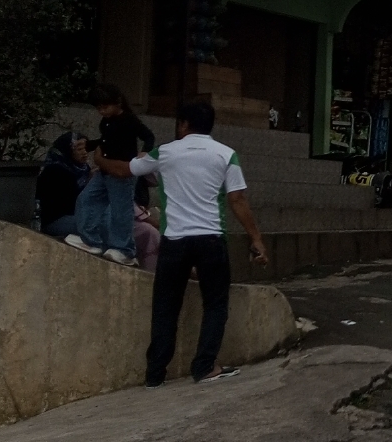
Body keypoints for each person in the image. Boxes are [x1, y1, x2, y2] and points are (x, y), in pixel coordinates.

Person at [126, 98, 269, 385]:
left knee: (166, 306)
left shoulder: (165, 152)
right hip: (211, 240)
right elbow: (237, 199)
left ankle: (155, 374)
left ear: (183, 124)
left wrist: (101, 159)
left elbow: (130, 169)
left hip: (174, 240)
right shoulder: (226, 154)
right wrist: (256, 239)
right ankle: (204, 366)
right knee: (215, 304)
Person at [67, 83, 155, 265]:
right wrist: (90, 145)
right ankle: (92, 240)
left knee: (120, 211)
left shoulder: (129, 120)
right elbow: (105, 140)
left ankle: (125, 250)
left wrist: (145, 152)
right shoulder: (106, 122)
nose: (102, 112)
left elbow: (148, 136)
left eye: (105, 107)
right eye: (99, 108)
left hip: (122, 173)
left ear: (118, 103)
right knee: (87, 199)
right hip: (105, 171)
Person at [36, 130, 92, 240]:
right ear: (68, 150)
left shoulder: (83, 169)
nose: (85, 153)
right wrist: (90, 183)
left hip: (77, 217)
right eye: (79, 149)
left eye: (86, 149)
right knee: (94, 225)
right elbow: (71, 204)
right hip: (55, 220)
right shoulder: (55, 170)